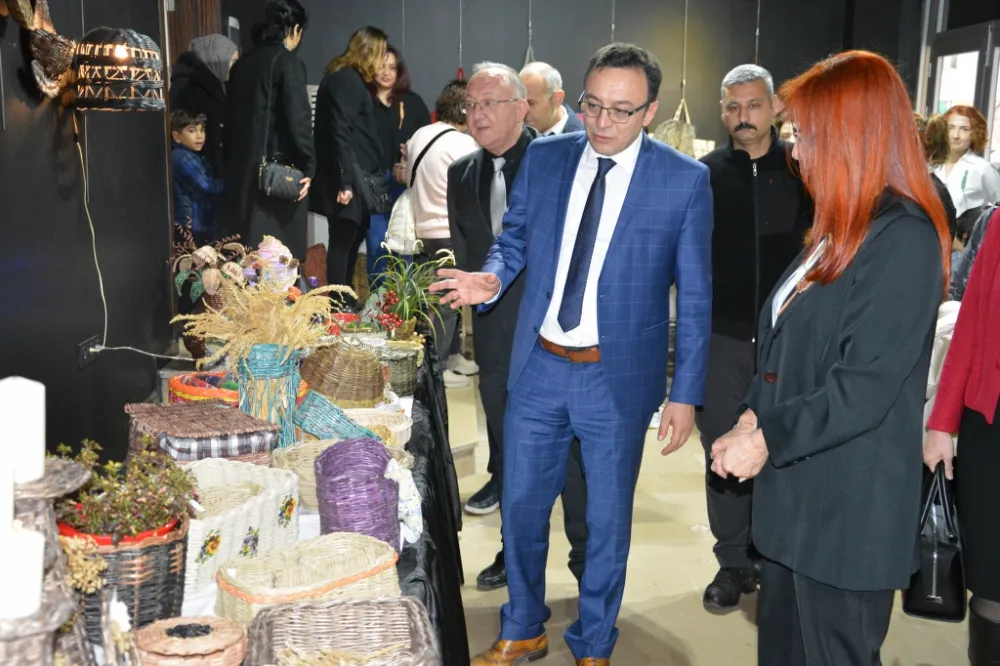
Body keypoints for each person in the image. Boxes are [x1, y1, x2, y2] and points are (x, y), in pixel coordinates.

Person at [432, 43, 712, 665]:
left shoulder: (684, 180)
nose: (603, 122)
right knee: (521, 508)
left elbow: (695, 297)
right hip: (539, 366)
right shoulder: (549, 157)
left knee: (606, 523)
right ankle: (523, 625)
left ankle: (593, 642)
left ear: (650, 111)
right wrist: (492, 278)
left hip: (615, 379)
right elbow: (516, 238)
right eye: (593, 105)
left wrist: (686, 393)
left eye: (621, 110)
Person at [710, 51, 950, 666]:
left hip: (845, 514)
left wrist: (765, 438)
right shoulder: (839, 226)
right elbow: (786, 345)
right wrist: (751, 412)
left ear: (854, 135)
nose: (797, 151)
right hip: (794, 505)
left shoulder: (903, 237)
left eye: (808, 135)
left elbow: (861, 387)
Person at [443, 62, 589, 594]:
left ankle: (585, 560)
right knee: (508, 452)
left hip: (558, 338)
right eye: (471, 106)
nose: (477, 115)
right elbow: (469, 258)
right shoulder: (462, 174)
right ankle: (514, 553)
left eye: (489, 104)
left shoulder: (559, 161)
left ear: (522, 108)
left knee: (572, 460)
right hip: (496, 339)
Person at [696, 63, 813, 611]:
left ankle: (774, 554)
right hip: (722, 338)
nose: (743, 116)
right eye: (733, 107)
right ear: (722, 113)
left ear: (775, 109)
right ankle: (732, 562)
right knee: (721, 446)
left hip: (791, 340)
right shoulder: (703, 175)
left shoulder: (804, 170)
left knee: (783, 444)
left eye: (754, 105)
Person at [924, 206, 1000, 666]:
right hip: (990, 428)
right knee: (992, 582)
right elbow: (971, 325)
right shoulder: (999, 225)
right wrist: (940, 424)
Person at [222, 0, 314, 257]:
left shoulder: (243, 64)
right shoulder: (288, 63)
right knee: (277, 262)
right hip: (274, 181)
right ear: (295, 30)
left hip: (240, 177)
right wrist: (309, 167)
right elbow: (299, 121)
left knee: (242, 258)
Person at [405, 80, 478, 381]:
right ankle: (442, 367)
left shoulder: (419, 135)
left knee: (433, 301)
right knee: (449, 302)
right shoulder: (463, 144)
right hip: (450, 232)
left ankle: (453, 357)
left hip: (423, 229)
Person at [311, 26, 388, 293]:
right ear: (369, 53)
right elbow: (340, 131)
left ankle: (343, 296)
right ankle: (337, 301)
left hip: (350, 172)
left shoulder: (343, 78)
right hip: (349, 174)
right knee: (343, 240)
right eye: (381, 53)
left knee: (351, 236)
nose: (383, 61)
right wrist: (345, 182)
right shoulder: (346, 80)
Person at [368, 45, 432, 285]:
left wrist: (410, 153)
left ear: (400, 71)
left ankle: (403, 300)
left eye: (392, 67)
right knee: (376, 243)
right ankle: (377, 298)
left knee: (404, 243)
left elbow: (427, 141)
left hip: (403, 183)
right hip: (372, 183)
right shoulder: (364, 101)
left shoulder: (412, 102)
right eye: (381, 66)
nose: (386, 72)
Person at [170, 34, 239, 181]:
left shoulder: (220, 85)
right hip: (197, 173)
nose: (234, 67)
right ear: (217, 59)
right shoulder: (189, 87)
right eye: (232, 61)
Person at [932, 105, 1000, 219]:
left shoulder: (982, 169)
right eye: (951, 127)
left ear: (975, 133)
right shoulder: (931, 166)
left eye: (964, 129)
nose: (955, 135)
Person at [171, 110, 224, 246]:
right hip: (193, 222)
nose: (199, 136)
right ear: (177, 136)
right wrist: (233, 183)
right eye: (192, 131)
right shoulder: (185, 158)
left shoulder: (181, 155)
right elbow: (207, 186)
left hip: (188, 221)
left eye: (202, 130)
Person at [519, 61, 584, 136]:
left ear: (557, 99)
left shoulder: (585, 140)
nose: (523, 110)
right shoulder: (514, 136)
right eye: (520, 103)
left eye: (531, 103)